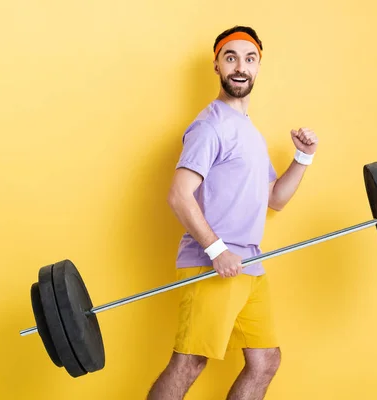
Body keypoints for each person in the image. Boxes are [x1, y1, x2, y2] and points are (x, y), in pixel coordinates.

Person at [147, 25, 319, 400]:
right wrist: (215, 250)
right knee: (190, 363)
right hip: (214, 266)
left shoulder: (249, 133)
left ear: (258, 66)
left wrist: (303, 158)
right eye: (231, 58)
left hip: (250, 266)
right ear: (217, 65)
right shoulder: (211, 126)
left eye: (249, 58)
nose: (240, 66)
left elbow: (275, 198)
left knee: (265, 361)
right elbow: (179, 195)